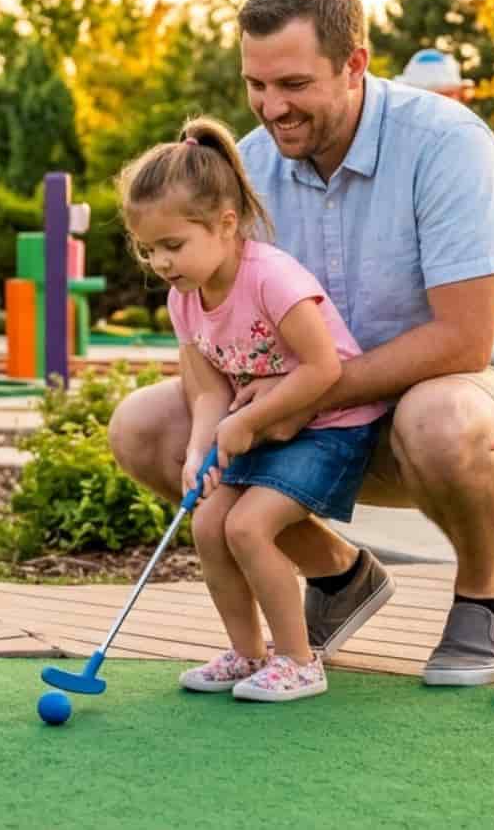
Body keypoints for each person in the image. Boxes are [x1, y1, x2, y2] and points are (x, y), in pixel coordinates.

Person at [108, 0, 494, 687]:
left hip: (488, 400)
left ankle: (481, 597)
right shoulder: (246, 167)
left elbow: (464, 342)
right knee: (143, 426)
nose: (273, 107)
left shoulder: (447, 143)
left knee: (436, 416)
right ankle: (340, 576)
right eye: (256, 85)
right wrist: (226, 417)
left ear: (355, 64)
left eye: (294, 84)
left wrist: (289, 398)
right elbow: (211, 332)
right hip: (322, 415)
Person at [121, 116, 388, 703]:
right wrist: (199, 448)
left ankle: (299, 660)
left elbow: (325, 369)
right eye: (149, 250)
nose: (161, 263)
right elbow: (208, 390)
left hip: (332, 426)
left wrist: (245, 423)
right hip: (270, 426)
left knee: (247, 526)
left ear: (225, 224)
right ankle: (247, 653)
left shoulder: (270, 278)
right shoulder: (185, 298)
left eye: (173, 246)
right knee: (207, 524)